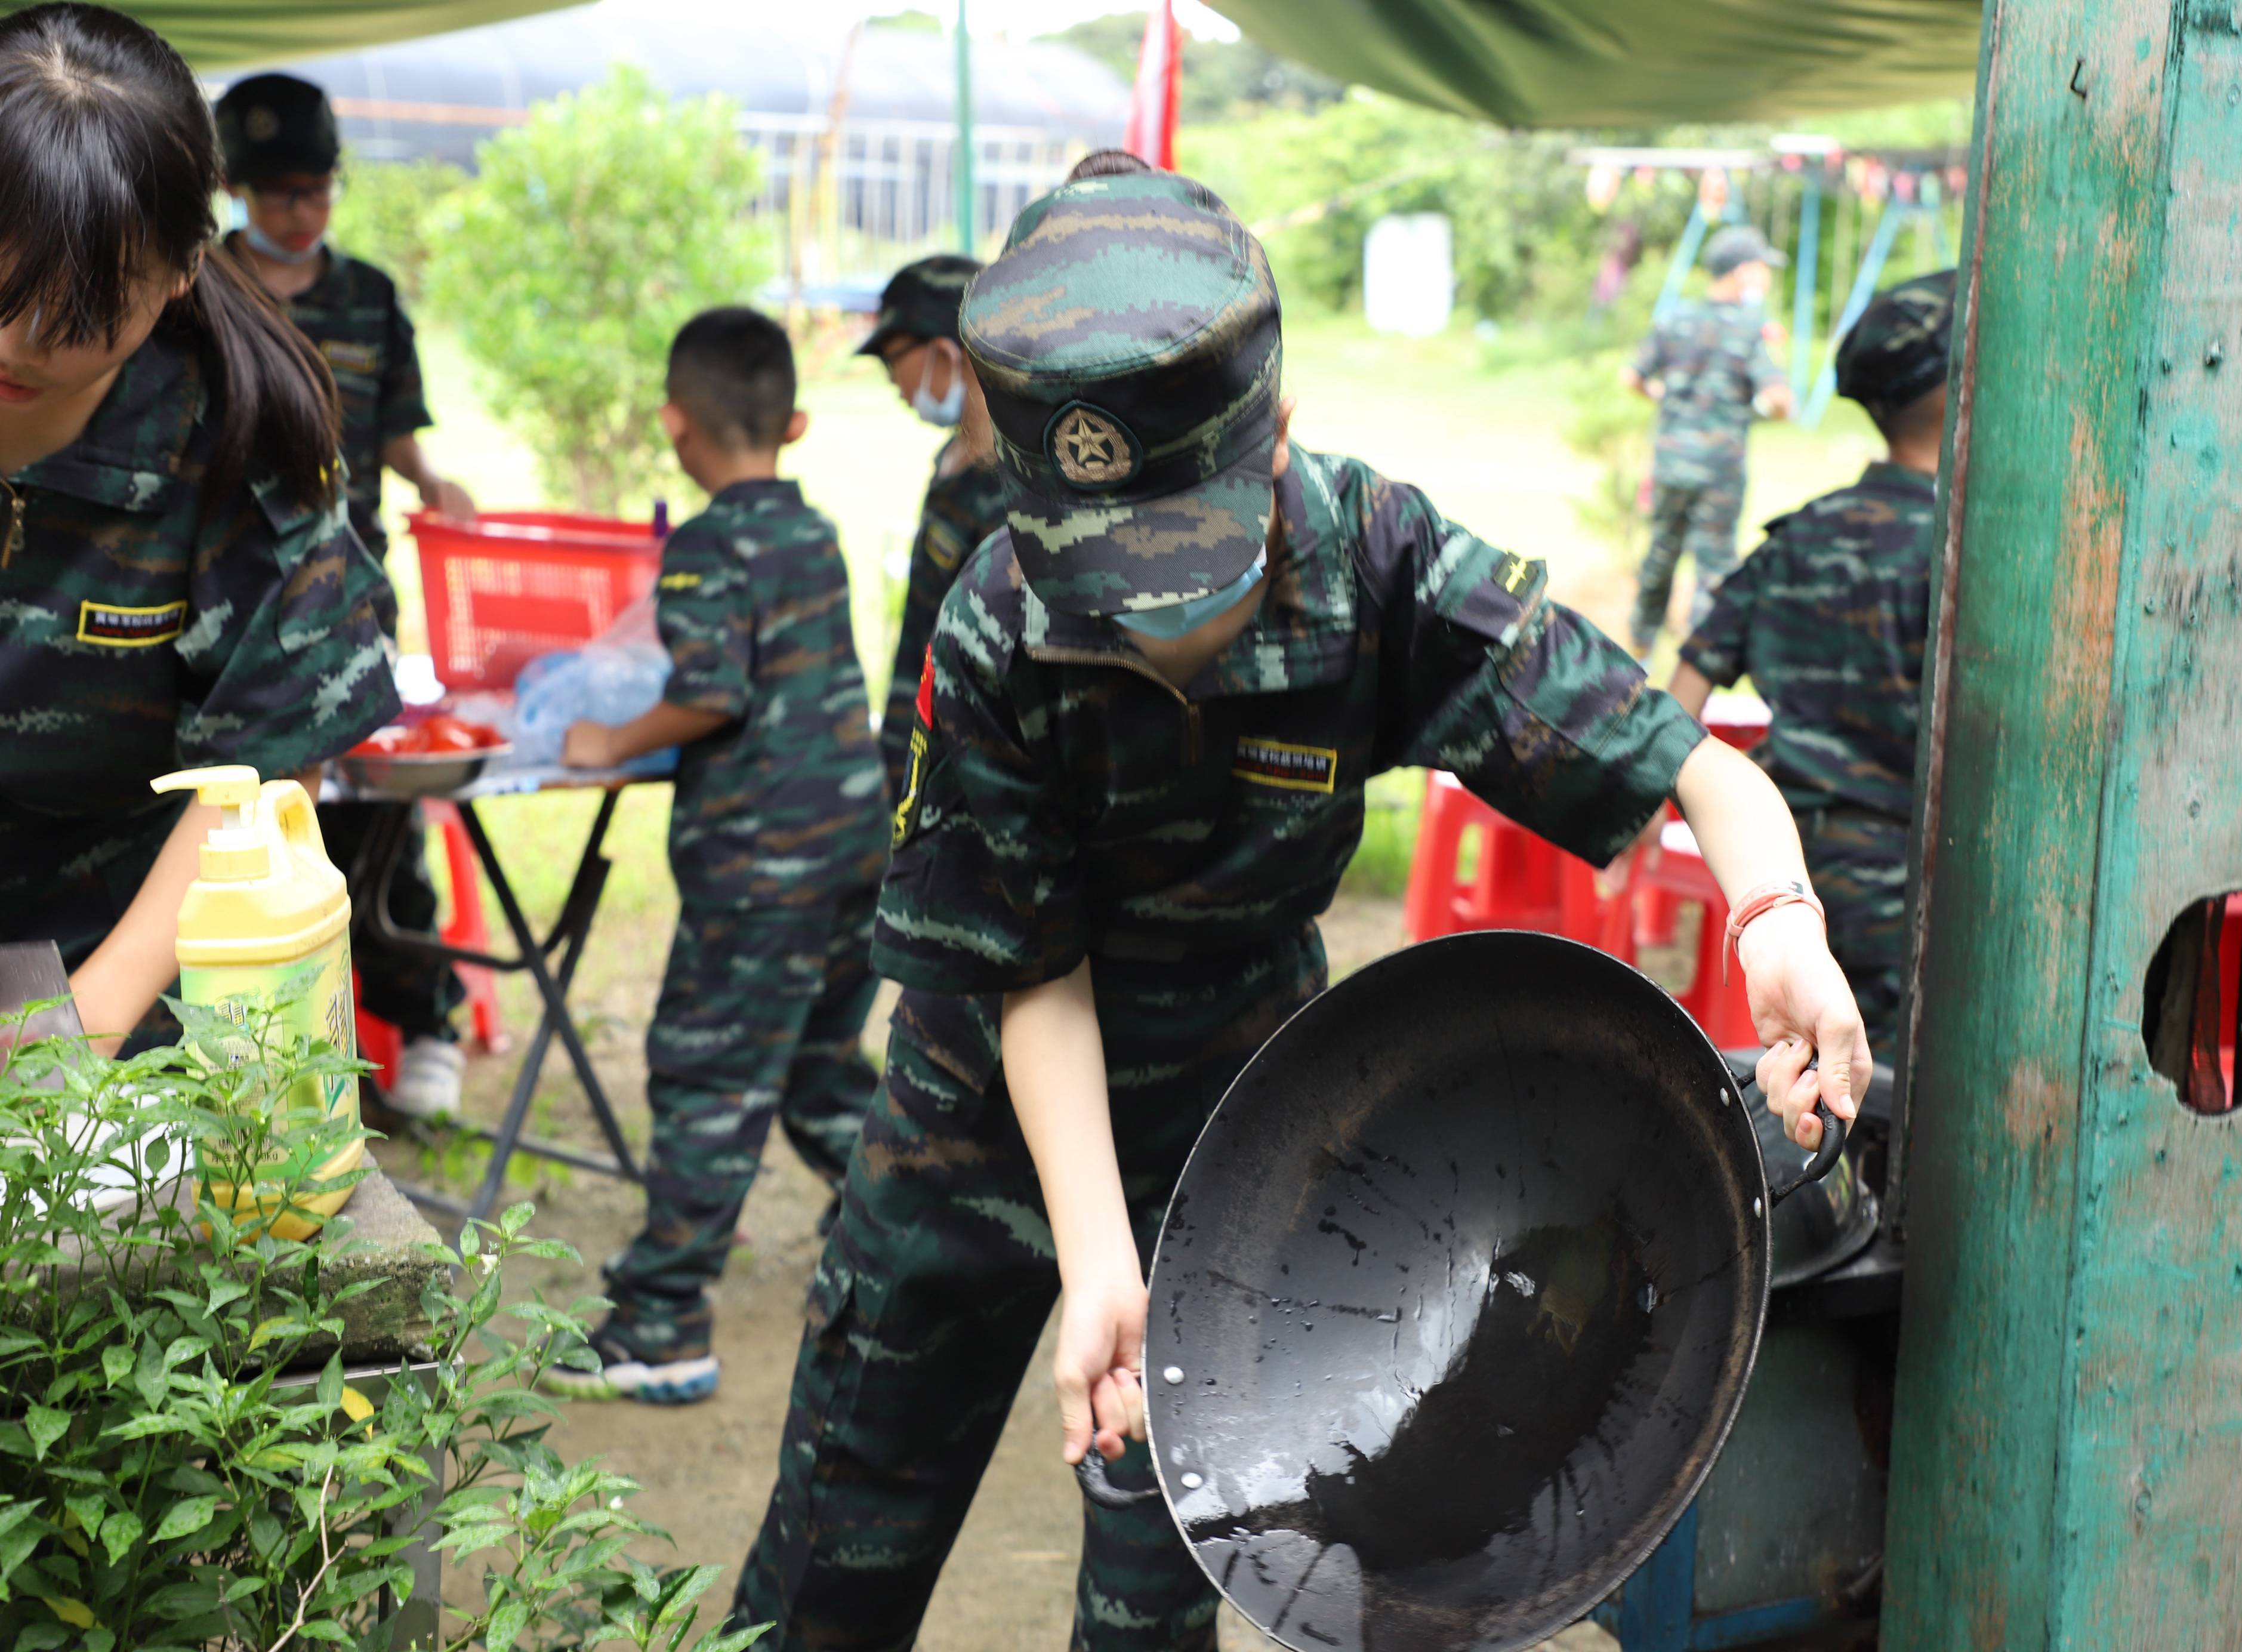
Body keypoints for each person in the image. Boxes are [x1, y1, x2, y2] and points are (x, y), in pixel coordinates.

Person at [730, 171, 1868, 1651]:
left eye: (1183, 568)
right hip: (980, 1117)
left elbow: (1692, 770)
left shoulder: (1383, 564)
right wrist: (1094, 1260)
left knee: (1167, 1582)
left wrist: (1775, 915)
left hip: (1238, 1137)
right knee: (838, 1544)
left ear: (1270, 436)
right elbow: (1035, 972)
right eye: (1106, 585)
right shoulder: (1000, 623)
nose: (1148, 628)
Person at [0, 2, 399, 1058]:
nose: (18, 342)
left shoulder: (241, 445)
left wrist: (82, 1022)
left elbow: (266, 766)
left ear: (180, 269)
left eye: (78, 308)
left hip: (132, 969)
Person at [553, 307, 888, 1405]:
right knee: (818, 1067)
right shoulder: (811, 529)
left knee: (709, 1079)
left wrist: (611, 739)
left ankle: (662, 1322)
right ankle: (918, 1237)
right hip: (850, 846)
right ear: (789, 423)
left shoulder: (704, 544)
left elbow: (710, 692)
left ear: (676, 423)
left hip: (761, 870)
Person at [215, 70, 478, 1118]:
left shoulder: (369, 294)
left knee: (377, 825)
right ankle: (256, 1056)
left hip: (351, 600)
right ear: (234, 189)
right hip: (223, 604)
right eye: (279, 193)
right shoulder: (199, 288)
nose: (301, 212)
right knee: (241, 831)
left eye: (317, 189)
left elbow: (397, 429)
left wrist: (435, 483)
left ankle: (424, 1022)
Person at [1669, 271, 1956, 1037]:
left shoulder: (1796, 535)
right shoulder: (1960, 557)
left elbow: (1680, 696)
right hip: (1912, 882)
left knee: (1802, 1083)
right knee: (1896, 1093)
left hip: (1785, 869)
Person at [853, 255, 1009, 802]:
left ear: (945, 351)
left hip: (966, 781)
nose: (892, 381)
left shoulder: (1012, 491)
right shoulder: (953, 464)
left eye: (892, 358)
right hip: (913, 755)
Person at [1621, 224, 1794, 649]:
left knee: (1661, 554)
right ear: (1742, 274)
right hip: (1720, 469)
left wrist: (1661, 394)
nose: (1766, 278)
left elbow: (1631, 376)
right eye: (1761, 268)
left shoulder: (1675, 320)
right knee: (1714, 566)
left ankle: (1639, 649)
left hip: (1671, 463)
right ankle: (1697, 661)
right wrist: (1757, 410)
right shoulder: (1748, 329)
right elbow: (1778, 400)